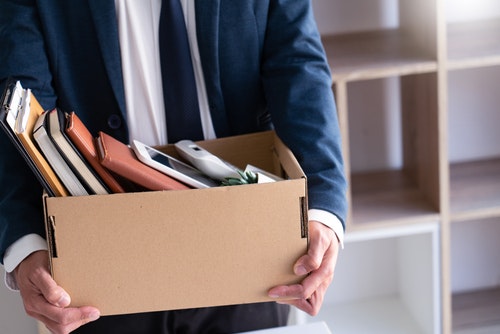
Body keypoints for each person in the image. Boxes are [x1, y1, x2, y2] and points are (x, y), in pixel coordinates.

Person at [0, 0, 348, 333]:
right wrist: (26, 244)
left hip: (244, 238)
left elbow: (298, 67)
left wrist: (323, 209)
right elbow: (18, 97)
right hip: (103, 253)